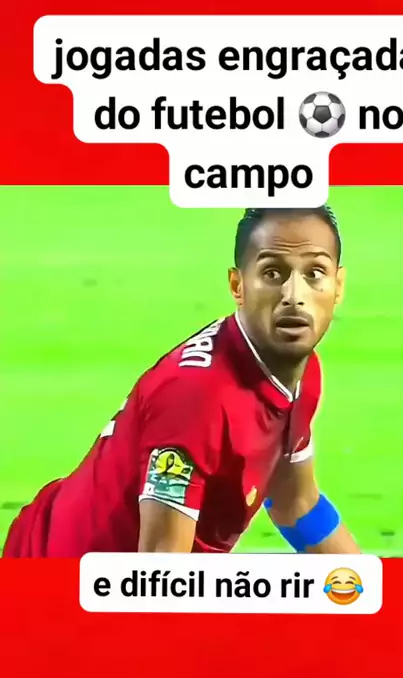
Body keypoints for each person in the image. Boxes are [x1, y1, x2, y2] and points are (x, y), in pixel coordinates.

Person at [3, 205, 360, 557]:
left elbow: (295, 503)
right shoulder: (198, 400)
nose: (294, 296)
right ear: (238, 286)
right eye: (272, 273)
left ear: (338, 285)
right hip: (59, 575)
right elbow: (160, 573)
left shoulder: (299, 373)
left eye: (314, 273)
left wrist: (369, 583)